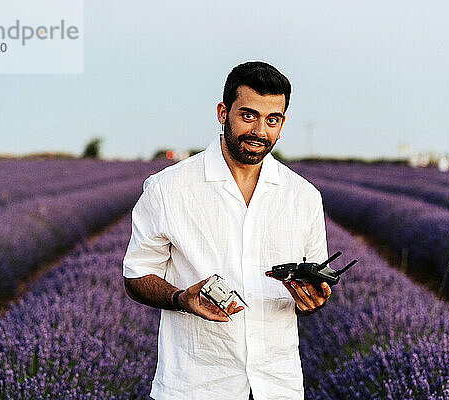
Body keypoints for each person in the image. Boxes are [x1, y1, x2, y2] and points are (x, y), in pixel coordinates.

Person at [122, 61, 331, 400]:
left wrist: (313, 299)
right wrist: (181, 298)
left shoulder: (303, 196)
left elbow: (314, 281)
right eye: (248, 115)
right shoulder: (168, 189)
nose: (260, 130)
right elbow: (136, 275)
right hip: (196, 386)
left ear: (282, 122)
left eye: (272, 119)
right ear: (223, 112)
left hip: (277, 385)